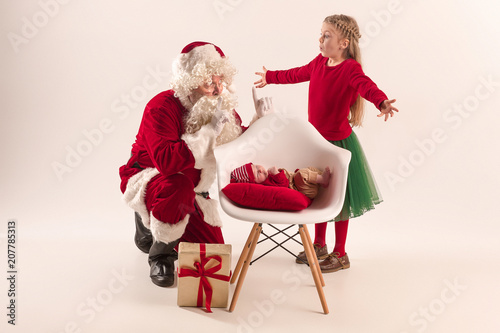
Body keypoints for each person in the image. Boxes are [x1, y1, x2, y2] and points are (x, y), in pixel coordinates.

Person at [119, 41, 272, 287]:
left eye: (219, 81)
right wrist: (208, 132)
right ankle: (160, 253)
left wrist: (259, 123)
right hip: (152, 178)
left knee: (213, 256)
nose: (217, 89)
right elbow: (167, 162)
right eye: (208, 83)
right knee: (177, 184)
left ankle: (155, 222)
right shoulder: (160, 107)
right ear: (191, 82)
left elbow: (236, 148)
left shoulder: (220, 107)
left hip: (193, 192)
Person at [254, 14, 399, 273]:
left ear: (344, 43)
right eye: (320, 34)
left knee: (339, 199)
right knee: (318, 192)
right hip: (317, 142)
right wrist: (271, 76)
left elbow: (366, 86)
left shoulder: (350, 68)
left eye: (327, 35)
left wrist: (381, 101)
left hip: (339, 144)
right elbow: (297, 73)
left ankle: (340, 253)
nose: (320, 39)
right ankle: (319, 244)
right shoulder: (319, 63)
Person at [230, 162, 331, 199]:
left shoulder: (268, 176)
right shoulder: (266, 185)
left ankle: (321, 181)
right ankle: (322, 179)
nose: (260, 170)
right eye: (257, 174)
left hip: (307, 184)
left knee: (307, 170)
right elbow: (284, 185)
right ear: (255, 183)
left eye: (256, 167)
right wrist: (277, 174)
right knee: (302, 174)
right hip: (304, 190)